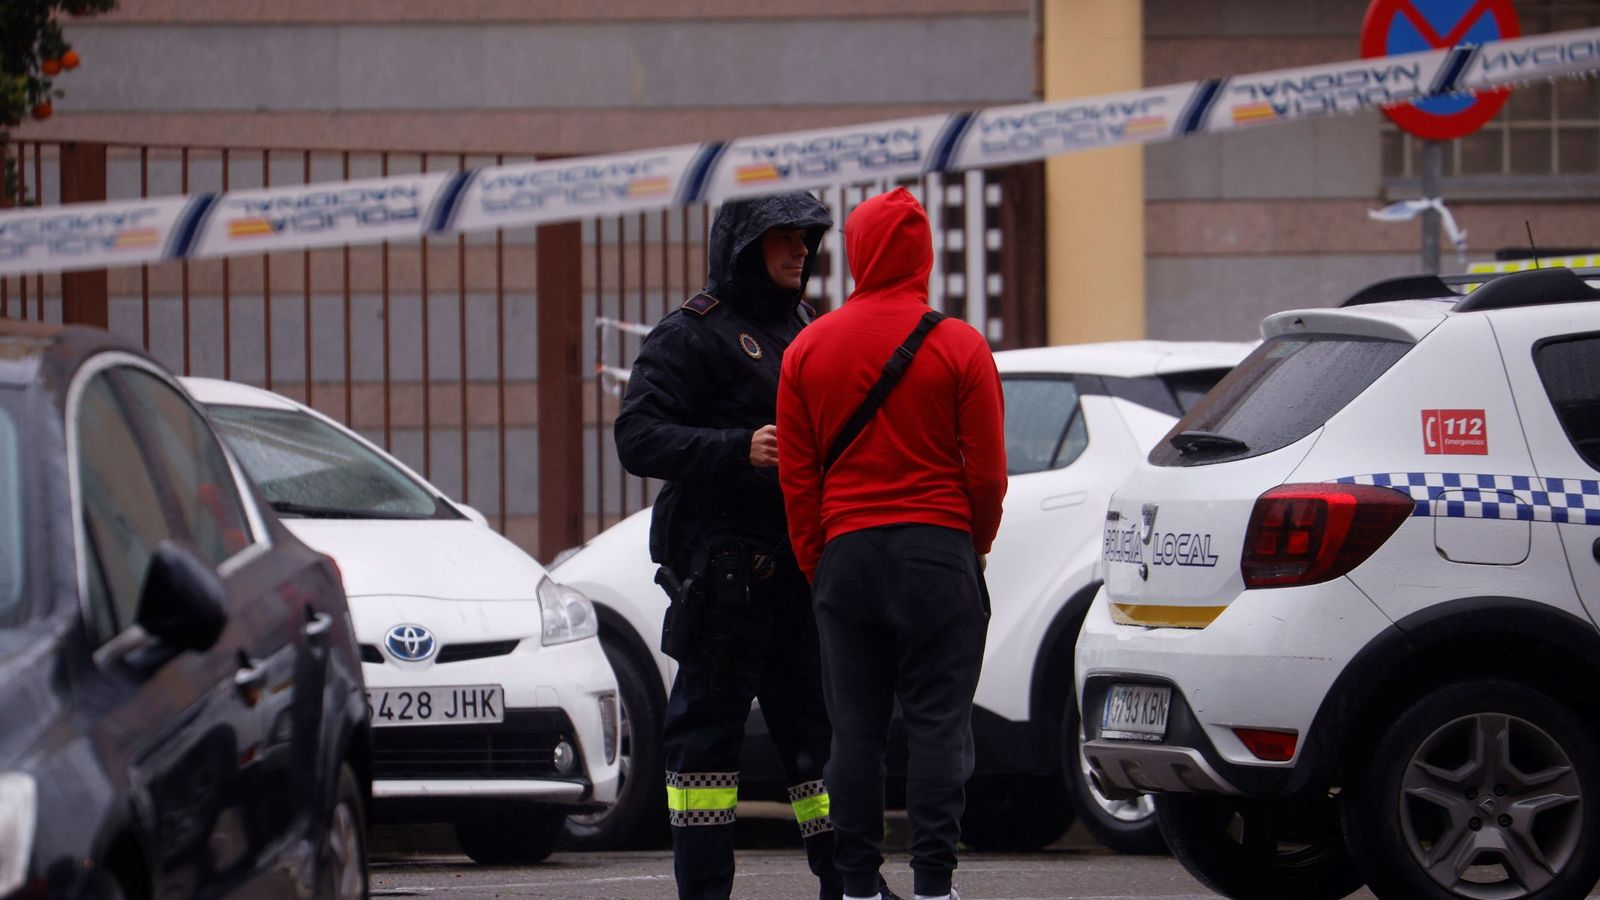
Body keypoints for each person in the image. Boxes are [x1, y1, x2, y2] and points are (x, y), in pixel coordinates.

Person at [615, 192, 870, 900]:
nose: (800, 251)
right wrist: (739, 447)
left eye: (806, 239)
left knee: (817, 747)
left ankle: (847, 887)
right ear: (743, 249)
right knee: (704, 752)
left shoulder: (805, 328)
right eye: (782, 239)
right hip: (725, 584)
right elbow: (635, 437)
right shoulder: (690, 334)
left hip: (798, 579)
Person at [776, 186, 1006, 900]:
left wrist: (819, 558)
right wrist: (974, 544)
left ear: (857, 252)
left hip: (847, 556)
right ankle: (934, 883)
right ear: (924, 256)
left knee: (857, 732)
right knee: (938, 727)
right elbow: (989, 474)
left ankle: (856, 885)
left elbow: (798, 476)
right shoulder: (960, 345)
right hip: (938, 553)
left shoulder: (808, 347)